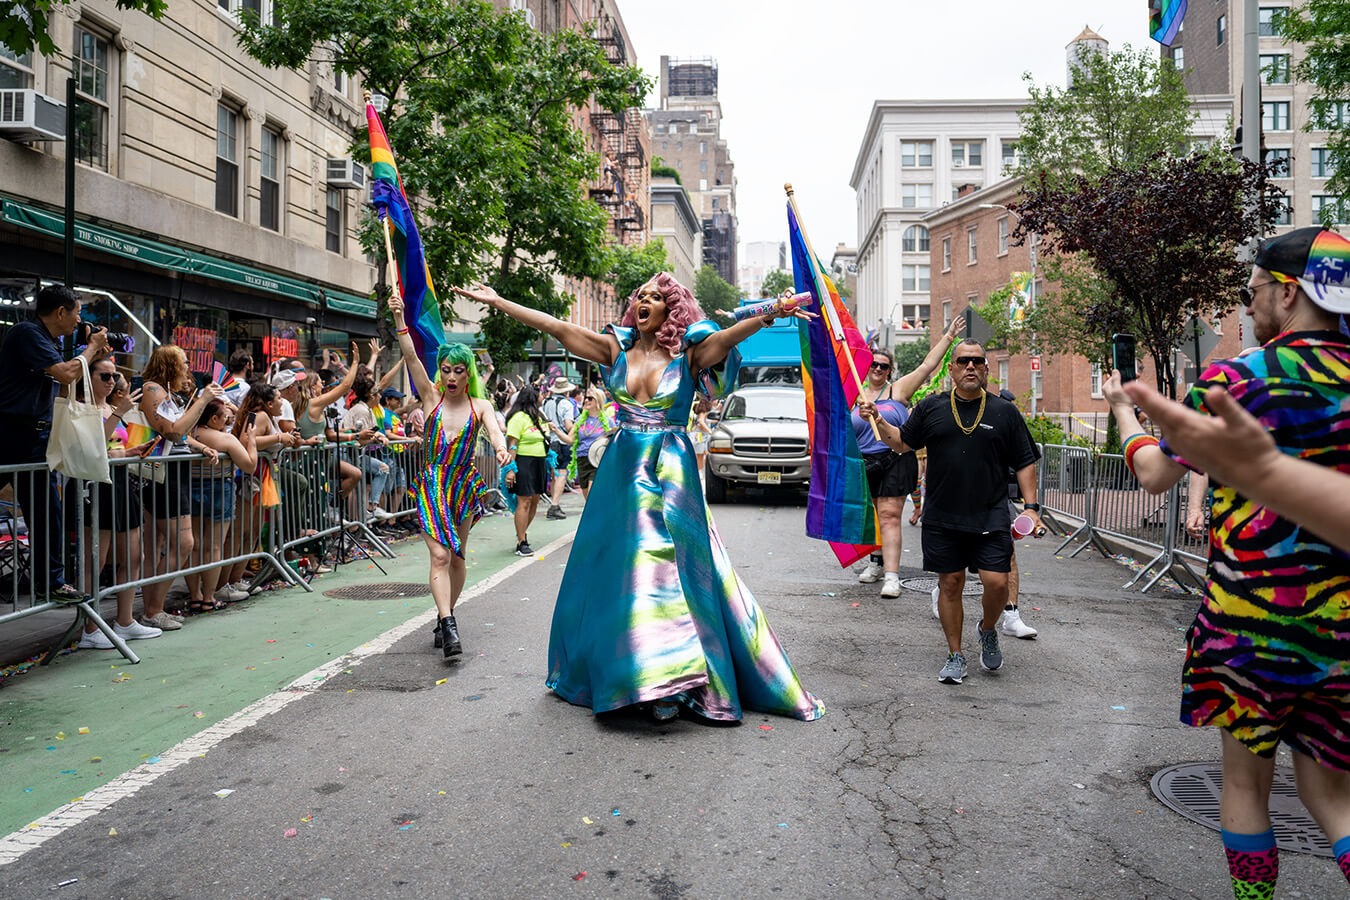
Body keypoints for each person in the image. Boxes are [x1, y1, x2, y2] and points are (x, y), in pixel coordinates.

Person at [1102, 226, 1350, 898]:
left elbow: (1154, 474)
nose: (1250, 306)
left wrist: (1126, 412)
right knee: (1334, 795)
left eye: (1255, 293)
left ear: (1289, 291)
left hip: (1249, 626)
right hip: (1342, 634)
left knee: (1244, 785)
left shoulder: (1238, 379)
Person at [454, 275, 824, 724]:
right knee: (623, 570)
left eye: (654, 298)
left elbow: (727, 336)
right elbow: (557, 327)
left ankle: (671, 683)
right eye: (639, 298)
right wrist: (499, 298)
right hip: (622, 470)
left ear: (672, 310)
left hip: (671, 467)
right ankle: (636, 675)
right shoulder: (616, 349)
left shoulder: (690, 354)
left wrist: (768, 313)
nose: (643, 302)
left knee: (667, 566)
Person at [859, 338, 1043, 686]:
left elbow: (1024, 461)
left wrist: (1031, 508)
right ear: (952, 369)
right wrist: (878, 420)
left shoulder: (1005, 412)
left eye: (977, 361)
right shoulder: (931, 408)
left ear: (987, 368)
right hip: (943, 515)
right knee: (951, 583)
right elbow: (900, 442)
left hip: (990, 514)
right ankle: (955, 655)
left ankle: (988, 628)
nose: (970, 367)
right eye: (963, 361)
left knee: (997, 581)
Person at [389, 293, 509, 657]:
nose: (452, 376)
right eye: (446, 369)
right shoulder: (431, 400)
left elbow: (495, 430)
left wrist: (501, 448)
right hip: (433, 484)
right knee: (439, 557)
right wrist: (399, 319)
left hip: (463, 486)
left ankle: (447, 613)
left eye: (459, 370)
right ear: (440, 371)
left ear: (467, 373)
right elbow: (410, 356)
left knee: (457, 557)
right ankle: (448, 626)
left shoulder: (481, 405)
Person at [1125, 378, 1350, 553]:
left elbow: (1154, 474)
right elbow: (1203, 461)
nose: (1249, 314)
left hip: (1247, 580)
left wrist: (1123, 409)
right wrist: (1195, 508)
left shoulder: (1233, 379)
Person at [0, 284, 110, 602]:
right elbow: (64, 374)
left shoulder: (46, 341)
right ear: (60, 312)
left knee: (48, 511)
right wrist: (89, 348)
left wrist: (90, 354)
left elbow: (64, 384)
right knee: (47, 509)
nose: (78, 320)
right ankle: (50, 580)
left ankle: (51, 581)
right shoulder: (27, 333)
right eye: (76, 313)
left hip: (35, 436)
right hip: (12, 432)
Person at [853, 314, 966, 598]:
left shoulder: (898, 390)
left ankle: (892, 576)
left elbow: (928, 365)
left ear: (890, 371)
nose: (878, 368)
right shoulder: (853, 393)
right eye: (874, 364)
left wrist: (949, 335)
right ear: (866, 367)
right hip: (862, 462)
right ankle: (876, 563)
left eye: (884, 366)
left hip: (894, 458)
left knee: (890, 515)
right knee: (871, 517)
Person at [74, 360, 162, 648]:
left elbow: (114, 450)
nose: (112, 381)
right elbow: (92, 446)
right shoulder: (79, 408)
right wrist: (120, 414)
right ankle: (90, 627)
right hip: (95, 486)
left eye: (115, 376)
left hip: (121, 483)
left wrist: (134, 451)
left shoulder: (111, 409)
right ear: (89, 378)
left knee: (134, 555)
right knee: (94, 561)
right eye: (105, 376)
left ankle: (125, 621)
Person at [136, 345, 223, 629]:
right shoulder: (152, 390)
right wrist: (204, 399)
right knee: (183, 543)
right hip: (164, 475)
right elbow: (172, 430)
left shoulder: (166, 393)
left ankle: (152, 610)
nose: (187, 367)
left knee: (160, 545)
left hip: (172, 473)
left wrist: (201, 446)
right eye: (183, 362)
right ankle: (153, 610)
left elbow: (180, 437)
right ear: (170, 365)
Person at [186, 398, 258, 611]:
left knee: (195, 545)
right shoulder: (224, 438)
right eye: (225, 417)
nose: (228, 422)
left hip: (190, 487)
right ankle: (208, 596)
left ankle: (195, 595)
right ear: (214, 418)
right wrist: (252, 440)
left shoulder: (188, 434)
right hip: (218, 489)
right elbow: (249, 465)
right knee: (214, 545)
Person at [502, 385, 550, 555]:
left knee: (535, 500)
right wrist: (510, 469)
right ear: (533, 398)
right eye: (540, 395)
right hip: (523, 462)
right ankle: (522, 542)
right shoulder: (518, 418)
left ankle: (521, 533)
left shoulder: (538, 417)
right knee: (525, 501)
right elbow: (512, 446)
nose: (543, 397)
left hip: (539, 462)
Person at [563, 386, 616, 500]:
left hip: (598, 460)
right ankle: (596, 516)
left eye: (590, 398)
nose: (586, 400)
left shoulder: (607, 421)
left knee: (593, 493)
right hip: (582, 460)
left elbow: (613, 441)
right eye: (585, 398)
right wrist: (556, 431)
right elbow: (569, 440)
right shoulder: (579, 420)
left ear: (598, 400)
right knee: (587, 497)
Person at [542, 377, 577, 520]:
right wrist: (578, 425)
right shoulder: (566, 404)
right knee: (561, 473)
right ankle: (555, 505)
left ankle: (553, 503)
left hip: (548, 441)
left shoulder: (545, 402)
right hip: (561, 442)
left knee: (554, 473)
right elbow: (568, 425)